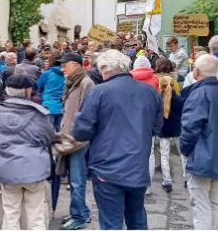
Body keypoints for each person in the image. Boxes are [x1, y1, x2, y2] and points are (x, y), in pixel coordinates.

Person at [73, 49, 162, 230]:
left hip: (107, 169)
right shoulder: (149, 92)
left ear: (105, 69)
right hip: (137, 166)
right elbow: (157, 127)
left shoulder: (98, 92)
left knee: (111, 223)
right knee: (137, 218)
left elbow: (81, 131)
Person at [0, 74, 54, 230]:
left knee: (11, 213)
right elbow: (48, 138)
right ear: (28, 90)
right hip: (35, 168)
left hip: (7, 167)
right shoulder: (39, 113)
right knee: (36, 214)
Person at [179, 54, 218, 229]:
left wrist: (185, 150)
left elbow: (190, 127)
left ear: (196, 72)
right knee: (214, 203)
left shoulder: (199, 95)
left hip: (201, 157)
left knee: (201, 206)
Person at [56, 52, 94, 230]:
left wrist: (75, 135)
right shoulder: (72, 82)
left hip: (77, 139)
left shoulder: (86, 83)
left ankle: (79, 216)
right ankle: (82, 211)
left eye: (66, 64)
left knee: (77, 180)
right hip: (69, 137)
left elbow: (87, 115)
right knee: (73, 178)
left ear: (77, 65)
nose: (62, 68)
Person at [154, 75, 184, 193]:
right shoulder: (179, 99)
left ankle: (167, 181)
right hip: (177, 129)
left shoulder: (157, 99)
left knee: (164, 156)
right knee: (183, 154)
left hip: (163, 130)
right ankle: (186, 178)